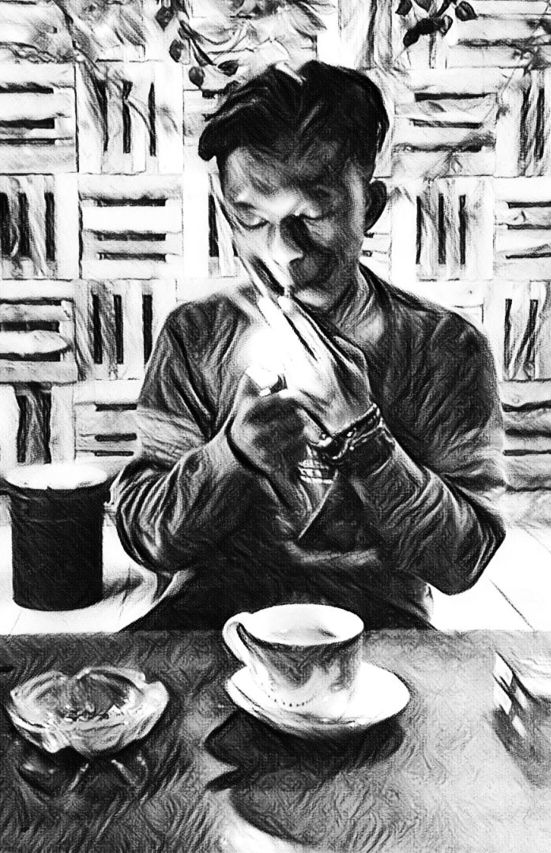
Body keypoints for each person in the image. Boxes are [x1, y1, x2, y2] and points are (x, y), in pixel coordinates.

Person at [112, 60, 506, 630]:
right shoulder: (194, 336)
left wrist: (366, 440)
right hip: (211, 624)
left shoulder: (446, 348)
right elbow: (147, 539)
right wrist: (234, 454)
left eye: (313, 215)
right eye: (251, 219)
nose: (284, 251)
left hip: (377, 629)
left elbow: (461, 562)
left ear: (370, 207)